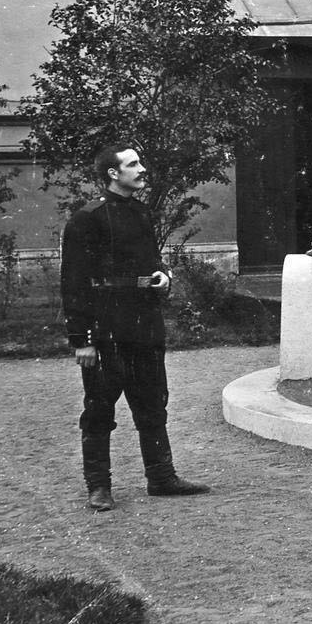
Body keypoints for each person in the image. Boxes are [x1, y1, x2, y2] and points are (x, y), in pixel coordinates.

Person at [62, 144, 211, 512]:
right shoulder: (87, 217)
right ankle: (99, 487)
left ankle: (161, 477)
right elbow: (73, 280)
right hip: (105, 325)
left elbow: (149, 260)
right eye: (133, 164)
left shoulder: (142, 212)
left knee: (153, 402)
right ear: (113, 173)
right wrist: (81, 340)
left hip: (144, 323)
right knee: (99, 408)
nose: (142, 169)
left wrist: (164, 273)